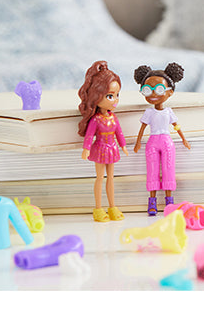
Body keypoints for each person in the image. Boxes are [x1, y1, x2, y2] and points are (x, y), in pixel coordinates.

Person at [132, 62, 191, 215]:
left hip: (167, 142)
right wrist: (138, 142)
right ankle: (152, 202)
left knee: (168, 169)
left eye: (158, 89)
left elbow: (176, 126)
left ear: (170, 92)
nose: (153, 94)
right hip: (152, 142)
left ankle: (169, 202)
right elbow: (142, 128)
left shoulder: (168, 111)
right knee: (152, 171)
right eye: (147, 90)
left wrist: (183, 139)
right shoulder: (149, 112)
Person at [78, 60, 128, 221]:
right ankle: (98, 209)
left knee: (111, 178)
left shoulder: (113, 118)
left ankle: (112, 207)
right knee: (100, 178)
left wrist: (123, 145)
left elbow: (119, 132)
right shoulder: (96, 120)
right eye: (110, 96)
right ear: (96, 97)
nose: (115, 100)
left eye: (117, 95)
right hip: (99, 148)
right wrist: (86, 148)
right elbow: (89, 135)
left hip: (112, 148)